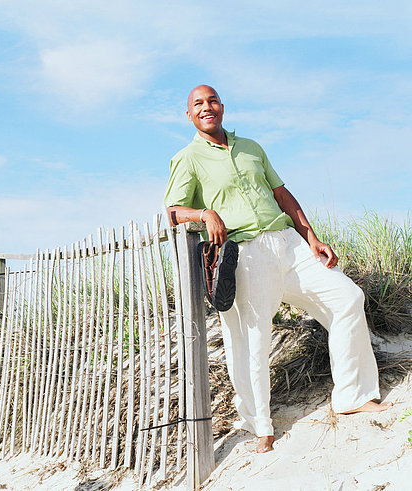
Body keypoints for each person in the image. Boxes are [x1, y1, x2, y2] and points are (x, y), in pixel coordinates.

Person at [164, 85, 392, 453]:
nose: (207, 107)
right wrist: (204, 213)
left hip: (288, 243)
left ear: (222, 106)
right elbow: (172, 211)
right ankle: (261, 425)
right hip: (246, 253)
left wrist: (311, 236)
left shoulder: (252, 147)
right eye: (198, 104)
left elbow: (281, 195)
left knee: (348, 297)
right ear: (188, 114)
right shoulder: (187, 159)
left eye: (213, 101)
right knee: (253, 339)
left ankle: (353, 395)